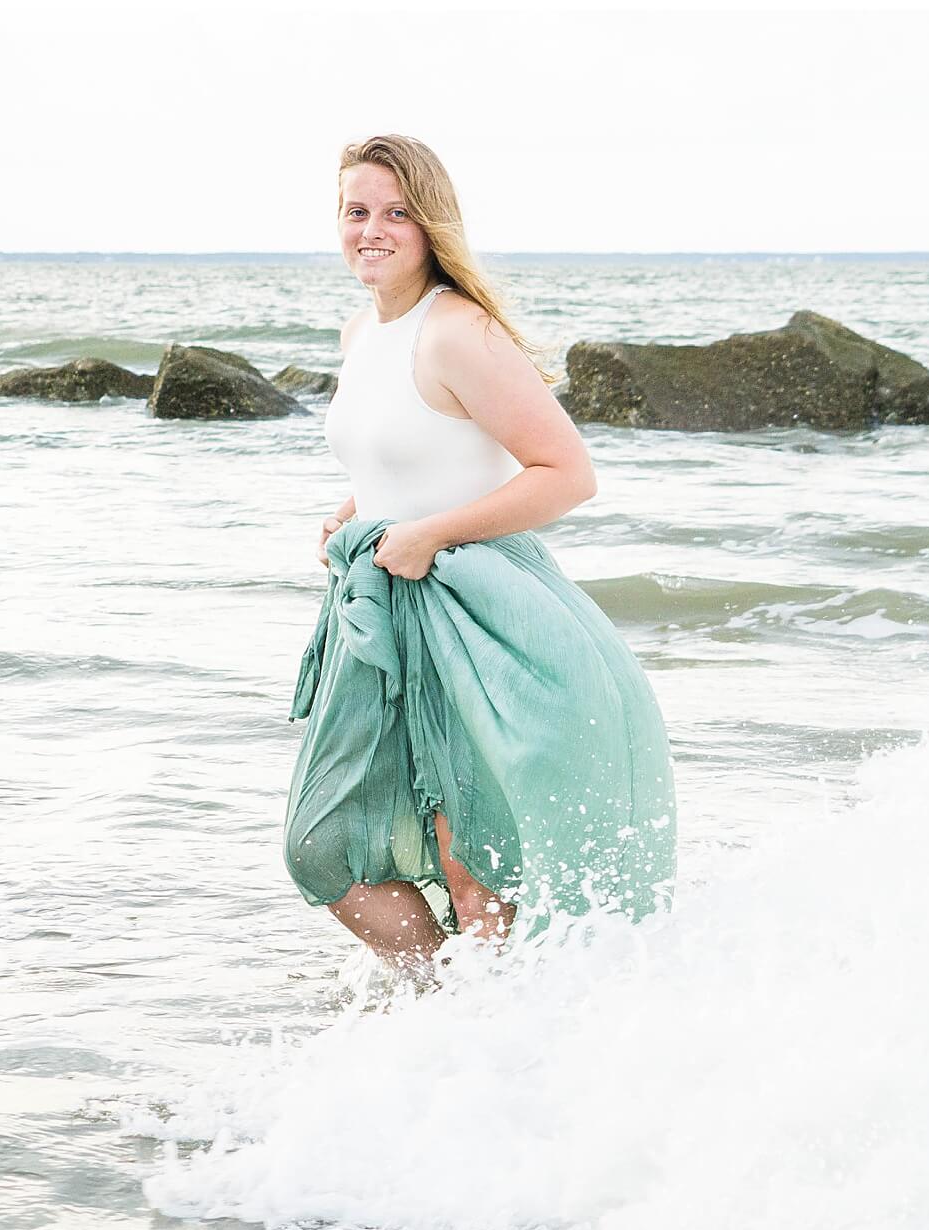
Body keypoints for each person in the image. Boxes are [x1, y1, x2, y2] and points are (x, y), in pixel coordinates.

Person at [282, 135, 677, 985]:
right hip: (382, 606)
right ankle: (445, 1015)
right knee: (322, 846)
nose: (373, 230)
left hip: (475, 604)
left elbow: (568, 475)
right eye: (357, 211)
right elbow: (415, 453)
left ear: (431, 227)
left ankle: (487, 1044)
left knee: (471, 853)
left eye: (396, 213)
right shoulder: (363, 331)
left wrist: (427, 534)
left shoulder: (460, 333)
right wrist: (357, 509)